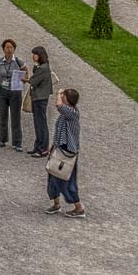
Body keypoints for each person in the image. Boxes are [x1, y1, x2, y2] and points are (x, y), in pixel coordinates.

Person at [45, 88, 84, 217]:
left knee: (65, 180)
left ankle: (79, 207)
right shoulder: (67, 113)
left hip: (66, 152)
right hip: (59, 149)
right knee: (52, 175)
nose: (62, 97)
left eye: (64, 96)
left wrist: (59, 94)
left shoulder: (72, 112)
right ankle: (56, 204)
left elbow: (58, 105)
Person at [0, 39, 27, 153]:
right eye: (7, 47)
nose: (9, 49)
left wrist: (23, 80)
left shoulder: (19, 62)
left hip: (15, 91)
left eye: (11, 47)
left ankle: (17, 142)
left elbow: (26, 73)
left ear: (14, 49)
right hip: (2, 91)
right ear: (3, 49)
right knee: (3, 116)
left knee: (15, 117)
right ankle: (2, 140)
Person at [25, 46, 56, 156]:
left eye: (35, 54)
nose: (33, 56)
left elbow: (33, 81)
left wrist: (24, 79)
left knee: (41, 123)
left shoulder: (43, 68)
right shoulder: (41, 67)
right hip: (38, 98)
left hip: (40, 98)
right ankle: (38, 146)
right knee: (38, 123)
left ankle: (43, 148)